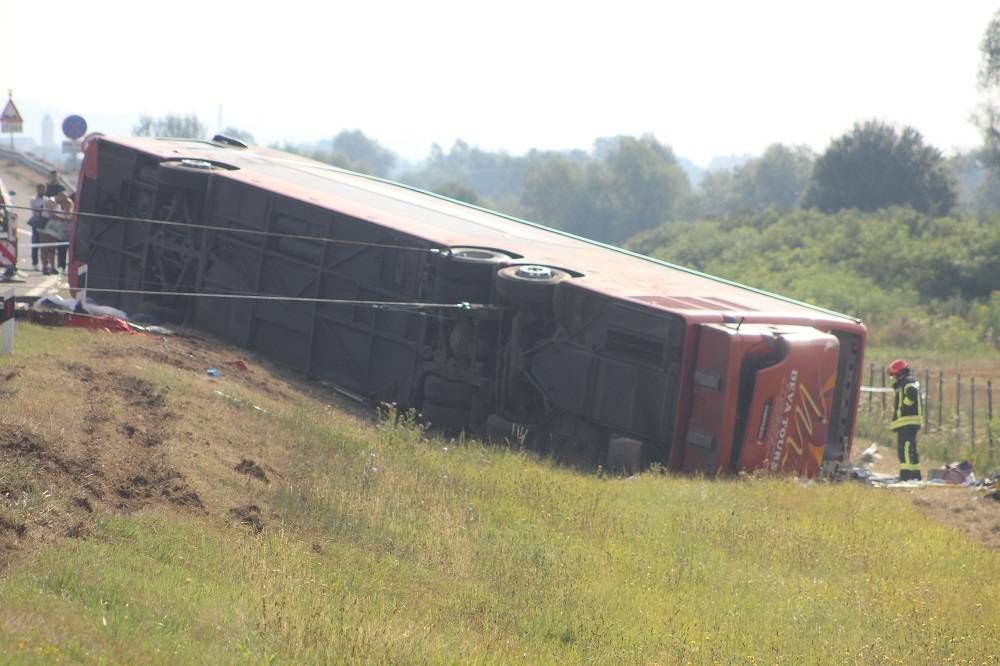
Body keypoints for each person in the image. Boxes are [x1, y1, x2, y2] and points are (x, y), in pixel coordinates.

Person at [888, 359, 922, 481]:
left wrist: (904, 407)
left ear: (899, 373)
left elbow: (912, 393)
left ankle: (906, 476)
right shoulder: (907, 382)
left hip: (908, 422)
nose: (894, 379)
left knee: (905, 449)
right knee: (911, 448)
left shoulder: (908, 382)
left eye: (894, 375)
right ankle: (916, 475)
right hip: (908, 422)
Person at [45, 172, 68, 272]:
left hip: (61, 225)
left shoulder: (61, 188)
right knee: (48, 246)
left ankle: (59, 268)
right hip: (50, 222)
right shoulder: (48, 189)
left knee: (60, 248)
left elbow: (67, 205)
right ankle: (48, 265)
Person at [28, 184, 50, 271]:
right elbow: (36, 209)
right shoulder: (33, 199)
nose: (41, 190)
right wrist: (41, 209)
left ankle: (45, 263)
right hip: (36, 223)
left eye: (43, 189)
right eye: (39, 189)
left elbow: (46, 210)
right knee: (35, 243)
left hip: (45, 223)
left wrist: (42, 210)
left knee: (45, 244)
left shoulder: (47, 200)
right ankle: (34, 263)